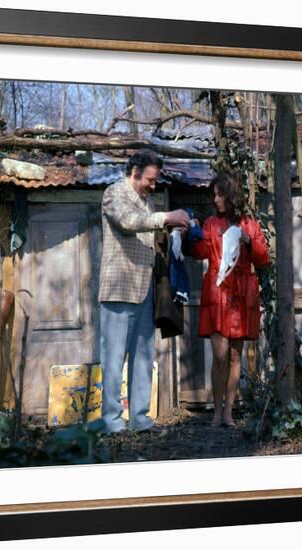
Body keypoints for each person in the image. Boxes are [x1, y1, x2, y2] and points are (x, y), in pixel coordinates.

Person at [99, 149, 190, 434]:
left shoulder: (145, 202)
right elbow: (128, 223)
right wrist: (165, 217)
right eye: (150, 180)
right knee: (114, 359)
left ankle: (140, 419)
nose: (153, 185)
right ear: (135, 172)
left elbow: (149, 234)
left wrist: (175, 231)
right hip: (118, 289)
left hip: (144, 290)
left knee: (142, 356)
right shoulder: (114, 194)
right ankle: (113, 421)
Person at [189, 171, 269, 428]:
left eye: (220, 194)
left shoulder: (250, 225)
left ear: (231, 195)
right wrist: (189, 235)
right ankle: (216, 411)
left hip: (241, 296)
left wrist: (247, 241)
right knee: (220, 355)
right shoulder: (211, 223)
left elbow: (263, 259)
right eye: (214, 195)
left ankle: (228, 414)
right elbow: (200, 251)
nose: (215, 199)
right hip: (217, 293)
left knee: (236, 356)